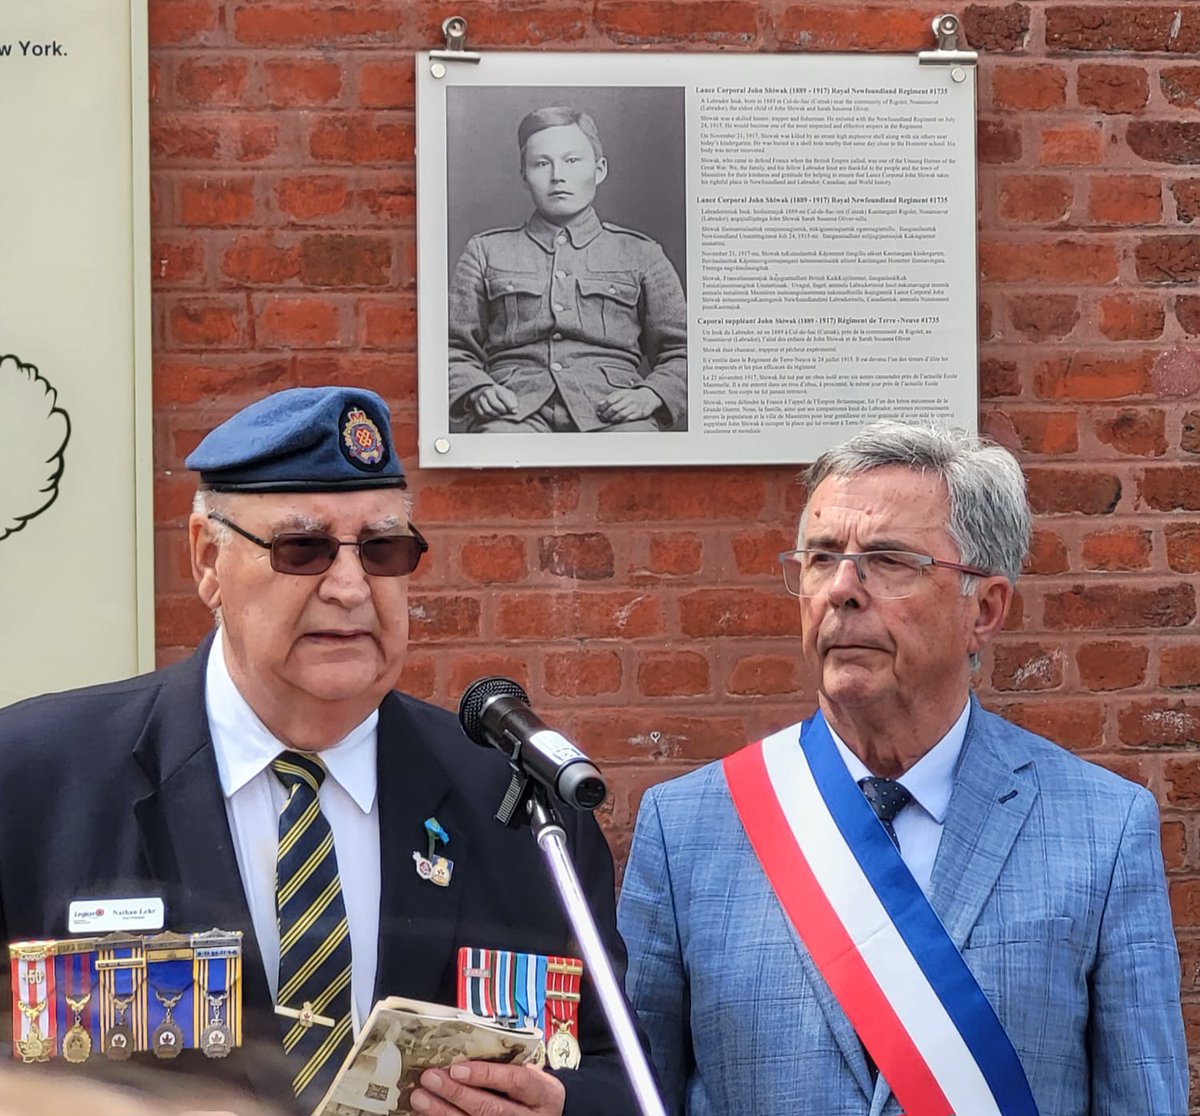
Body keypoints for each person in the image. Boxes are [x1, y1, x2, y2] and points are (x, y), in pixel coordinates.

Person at [0, 387, 636, 1116]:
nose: (349, 587)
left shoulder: (518, 805)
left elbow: (621, 1074)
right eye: (302, 550)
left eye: (383, 549)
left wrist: (553, 1106)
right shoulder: (34, 783)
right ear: (207, 559)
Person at [618, 421, 1187, 1116]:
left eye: (888, 561)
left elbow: (1142, 1099)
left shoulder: (1102, 828)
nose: (842, 589)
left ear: (985, 609)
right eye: (822, 558)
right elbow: (636, 1095)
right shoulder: (688, 829)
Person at [447, 105, 688, 434]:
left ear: (599, 169)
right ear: (523, 175)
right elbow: (451, 347)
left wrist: (652, 394)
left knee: (637, 449)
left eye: (572, 161)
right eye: (542, 163)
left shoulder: (641, 254)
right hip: (515, 410)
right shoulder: (485, 251)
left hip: (614, 412)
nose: (557, 175)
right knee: (495, 445)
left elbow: (682, 351)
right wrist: (477, 388)